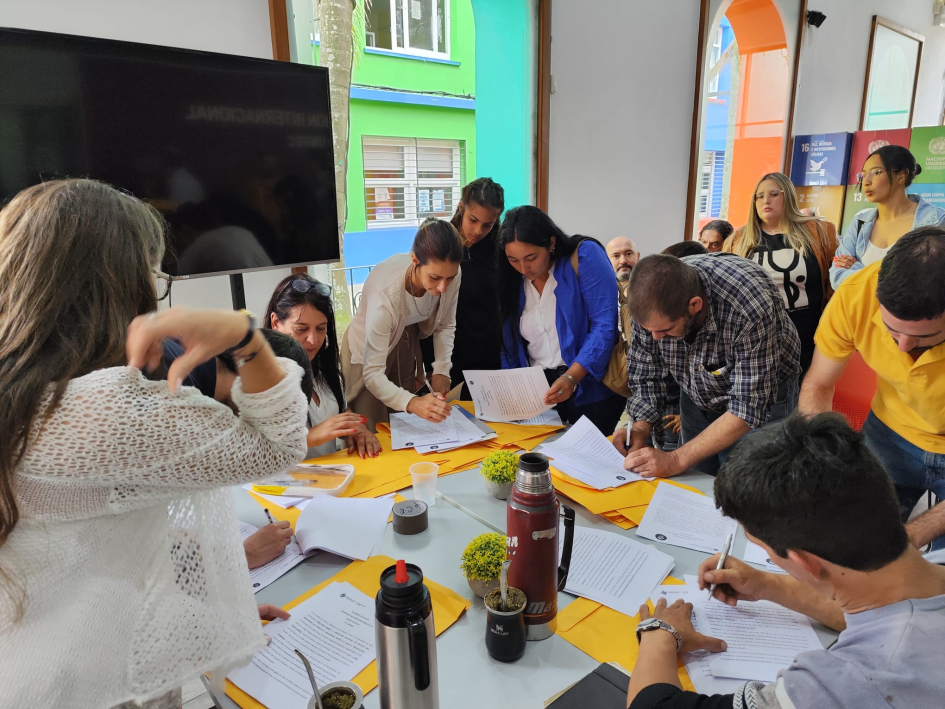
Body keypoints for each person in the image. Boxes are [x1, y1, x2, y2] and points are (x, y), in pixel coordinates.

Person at [0, 179, 308, 709]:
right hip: (100, 683)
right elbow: (281, 444)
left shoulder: (19, 396)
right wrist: (243, 336)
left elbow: (90, 546)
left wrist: (201, 613)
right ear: (118, 284)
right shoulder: (105, 411)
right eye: (153, 277)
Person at [626, 413, 945, 709]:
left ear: (804, 562)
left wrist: (660, 634)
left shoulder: (843, 684)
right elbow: (880, 614)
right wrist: (769, 585)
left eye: (764, 549)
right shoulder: (926, 576)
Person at [800, 227, 945, 550]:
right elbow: (819, 384)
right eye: (892, 330)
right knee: (855, 538)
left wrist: (912, 537)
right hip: (891, 433)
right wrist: (822, 452)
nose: (904, 347)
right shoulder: (856, 294)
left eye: (923, 337)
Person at [615, 254, 801, 477]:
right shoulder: (650, 301)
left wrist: (675, 458)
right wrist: (639, 428)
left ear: (694, 305)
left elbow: (748, 407)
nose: (656, 338)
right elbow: (648, 374)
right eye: (649, 331)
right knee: (696, 479)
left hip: (764, 395)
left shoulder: (749, 304)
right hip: (697, 390)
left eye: (665, 330)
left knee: (748, 484)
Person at [496, 206, 623, 433]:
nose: (524, 268)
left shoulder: (583, 256)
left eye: (531, 258)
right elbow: (509, 342)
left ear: (551, 243)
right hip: (539, 392)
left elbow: (605, 326)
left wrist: (572, 377)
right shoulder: (511, 279)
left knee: (587, 462)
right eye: (513, 259)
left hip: (590, 386)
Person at [341, 218, 462, 430]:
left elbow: (445, 324)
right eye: (434, 277)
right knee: (373, 429)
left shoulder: (451, 272)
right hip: (365, 353)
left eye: (449, 278)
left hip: (403, 342)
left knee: (404, 428)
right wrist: (413, 403)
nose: (443, 287)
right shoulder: (385, 294)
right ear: (415, 260)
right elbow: (372, 374)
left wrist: (442, 369)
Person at [723, 172, 838, 372]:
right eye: (759, 196)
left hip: (808, 335)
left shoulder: (819, 232)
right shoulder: (738, 240)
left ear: (789, 197)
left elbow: (836, 280)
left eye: (774, 194)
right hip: (756, 338)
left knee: (801, 398)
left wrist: (846, 263)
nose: (766, 200)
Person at [265, 273, 379, 457]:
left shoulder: (322, 369)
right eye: (301, 329)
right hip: (287, 483)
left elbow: (338, 410)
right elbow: (255, 451)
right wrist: (311, 436)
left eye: (321, 328)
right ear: (276, 322)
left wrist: (358, 430)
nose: (313, 340)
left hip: (330, 477)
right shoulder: (259, 380)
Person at [420, 178, 505, 399]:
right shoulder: (440, 244)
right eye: (473, 220)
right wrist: (434, 366)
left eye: (488, 224)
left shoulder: (501, 250)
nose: (478, 230)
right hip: (448, 360)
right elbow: (427, 310)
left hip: (492, 358)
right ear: (461, 207)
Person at [831, 145, 945, 288]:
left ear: (901, 175)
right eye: (863, 174)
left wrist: (859, 270)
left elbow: (923, 285)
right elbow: (837, 277)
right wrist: (891, 279)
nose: (866, 182)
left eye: (876, 172)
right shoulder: (860, 221)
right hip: (862, 310)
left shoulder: (936, 222)